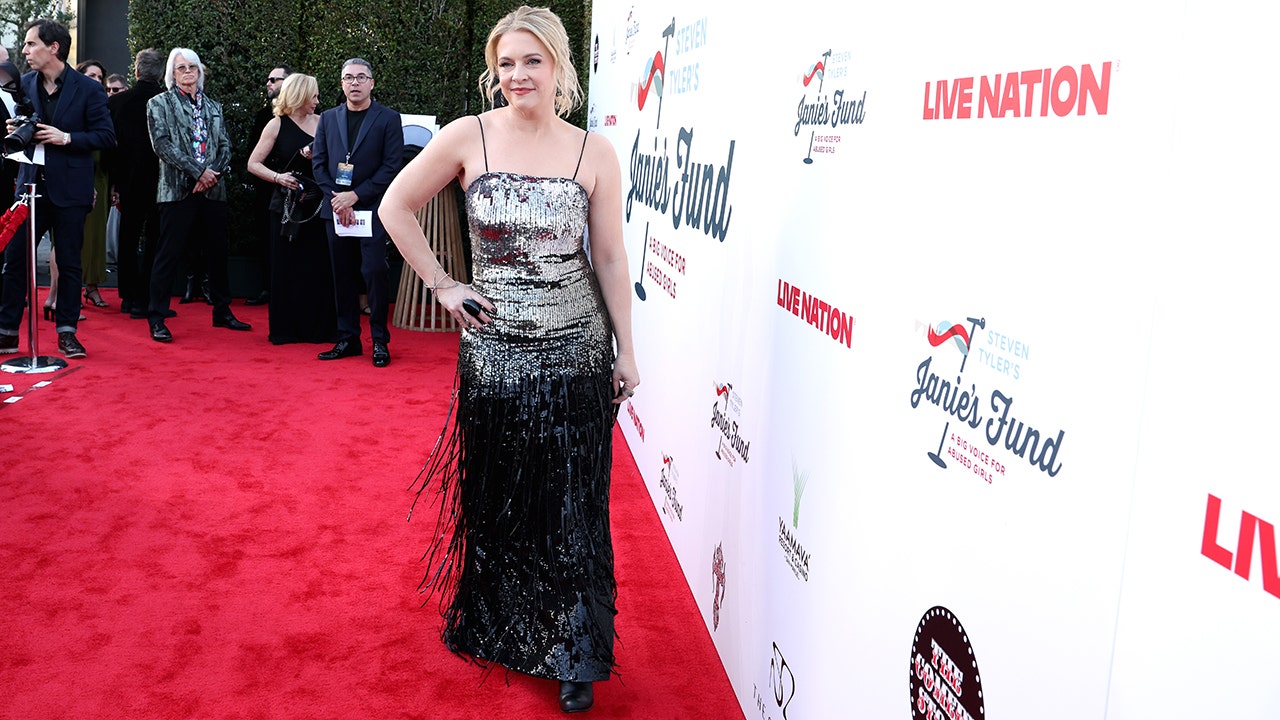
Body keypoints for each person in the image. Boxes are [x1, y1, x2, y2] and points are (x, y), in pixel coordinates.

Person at [379, 6, 639, 713]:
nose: (518, 75)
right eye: (506, 63)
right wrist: (443, 284)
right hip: (495, 355)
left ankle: (577, 651)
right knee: (501, 496)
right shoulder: (467, 135)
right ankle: (505, 625)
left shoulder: (594, 151)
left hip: (578, 352)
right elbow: (395, 206)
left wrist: (627, 348)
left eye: (532, 61)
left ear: (559, 66)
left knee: (573, 505)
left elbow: (611, 256)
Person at [0, 19, 115, 359]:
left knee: (69, 263)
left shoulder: (89, 89)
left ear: (53, 48)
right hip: (29, 188)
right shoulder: (23, 84)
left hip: (70, 189)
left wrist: (66, 138)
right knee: (14, 261)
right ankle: (7, 333)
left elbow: (106, 136)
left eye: (31, 43)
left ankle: (67, 332)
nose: (25, 50)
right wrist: (14, 129)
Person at [144, 47, 250, 343]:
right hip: (177, 191)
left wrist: (211, 174)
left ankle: (222, 311)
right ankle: (157, 316)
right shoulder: (159, 103)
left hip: (213, 189)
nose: (188, 72)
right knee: (168, 254)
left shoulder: (214, 106)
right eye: (182, 68)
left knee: (218, 252)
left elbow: (226, 145)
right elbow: (161, 145)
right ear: (172, 74)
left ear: (200, 72)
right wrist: (198, 172)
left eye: (193, 67)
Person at [311, 57, 401, 367]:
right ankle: (347, 338)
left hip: (372, 209)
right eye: (349, 77)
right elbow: (318, 164)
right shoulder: (328, 118)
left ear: (372, 83)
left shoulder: (388, 118)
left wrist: (356, 195)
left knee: (374, 272)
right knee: (342, 274)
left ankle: (379, 341)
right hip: (336, 210)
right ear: (341, 83)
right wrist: (339, 200)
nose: (355, 83)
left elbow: (392, 165)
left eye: (361, 77)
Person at [246, 73, 337, 345]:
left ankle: (319, 330)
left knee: (318, 267)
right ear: (299, 96)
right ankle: (286, 330)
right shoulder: (276, 124)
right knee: (286, 267)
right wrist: (278, 177)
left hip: (318, 205)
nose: (317, 101)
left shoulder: (323, 123)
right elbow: (253, 164)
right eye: (313, 96)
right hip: (287, 209)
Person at [107, 48, 165, 320]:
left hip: (128, 179)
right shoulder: (167, 101)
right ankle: (148, 296)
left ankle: (129, 296)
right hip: (161, 180)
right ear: (161, 75)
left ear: (137, 71)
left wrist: (113, 182)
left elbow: (110, 146)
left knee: (128, 235)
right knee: (155, 237)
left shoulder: (117, 102)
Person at [246, 63, 292, 307]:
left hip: (299, 194)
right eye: (269, 79)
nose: (269, 83)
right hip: (267, 191)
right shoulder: (264, 116)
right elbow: (252, 157)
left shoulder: (314, 116)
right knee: (266, 239)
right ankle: (267, 287)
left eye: (275, 79)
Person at [76, 59, 111, 310]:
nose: (97, 81)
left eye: (100, 77)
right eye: (91, 76)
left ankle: (92, 287)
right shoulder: (72, 104)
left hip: (101, 176)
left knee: (97, 237)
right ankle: (66, 290)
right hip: (75, 176)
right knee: (73, 237)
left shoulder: (104, 106)